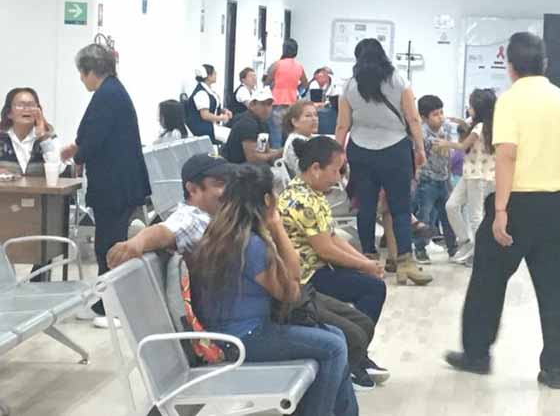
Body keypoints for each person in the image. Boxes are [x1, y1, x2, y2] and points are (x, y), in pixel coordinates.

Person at [107, 154, 383, 392]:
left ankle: (347, 373)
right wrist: (136, 243)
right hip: (247, 321)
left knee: (350, 330)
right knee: (342, 339)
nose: (226, 190)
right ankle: (346, 374)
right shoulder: (192, 217)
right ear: (192, 188)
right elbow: (163, 230)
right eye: (218, 184)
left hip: (262, 301)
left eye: (228, 183)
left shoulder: (227, 220)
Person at [445, 32, 560, 390]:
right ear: (545, 64)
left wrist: (501, 211)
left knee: (487, 280)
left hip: (516, 205)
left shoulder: (510, 101)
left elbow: (507, 156)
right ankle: (554, 368)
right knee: (553, 288)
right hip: (554, 206)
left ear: (510, 67)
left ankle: (477, 354)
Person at [188, 164, 358, 416]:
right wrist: (277, 227)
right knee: (334, 347)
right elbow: (291, 292)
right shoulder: (250, 245)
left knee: (336, 336)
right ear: (268, 200)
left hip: (231, 334)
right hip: (245, 339)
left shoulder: (223, 235)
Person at [279, 137, 390, 389]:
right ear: (315, 168)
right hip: (305, 277)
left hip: (318, 268)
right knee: (372, 288)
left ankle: (356, 352)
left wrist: (366, 262)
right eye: (336, 171)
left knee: (371, 285)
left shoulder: (313, 194)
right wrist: (364, 266)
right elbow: (326, 249)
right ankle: (353, 358)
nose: (339, 178)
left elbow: (332, 237)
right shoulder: (301, 200)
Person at [60, 43, 151, 328]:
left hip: (116, 185)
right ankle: (103, 302)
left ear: (90, 71)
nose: (81, 79)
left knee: (110, 246)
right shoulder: (112, 91)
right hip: (117, 183)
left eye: (81, 73)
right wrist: (78, 148)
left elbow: (95, 137)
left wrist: (78, 153)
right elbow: (94, 134)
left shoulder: (108, 94)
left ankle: (114, 308)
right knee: (106, 243)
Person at [335, 38, 431, 286]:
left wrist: (337, 155)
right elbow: (413, 119)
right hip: (395, 150)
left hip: (360, 151)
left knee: (365, 207)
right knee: (401, 208)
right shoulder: (398, 81)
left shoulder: (350, 86)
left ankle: (368, 259)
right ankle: (405, 264)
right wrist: (420, 148)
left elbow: (343, 125)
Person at [435, 89, 497, 266]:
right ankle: (466, 241)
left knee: (475, 216)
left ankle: (480, 254)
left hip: (477, 175)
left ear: (479, 108)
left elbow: (463, 146)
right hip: (473, 174)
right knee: (451, 205)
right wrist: (461, 122)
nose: (469, 109)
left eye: (471, 106)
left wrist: (446, 143)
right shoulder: (490, 124)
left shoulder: (479, 126)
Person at [409, 95, 459, 264]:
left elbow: (448, 157)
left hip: (443, 179)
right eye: (435, 114)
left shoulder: (446, 130)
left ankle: (453, 249)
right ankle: (420, 249)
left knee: (448, 217)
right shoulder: (422, 134)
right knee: (424, 216)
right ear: (424, 117)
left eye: (441, 112)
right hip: (427, 181)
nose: (441, 117)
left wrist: (449, 179)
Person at [0, 87, 58, 176]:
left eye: (31, 105)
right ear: (9, 113)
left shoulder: (48, 134)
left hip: (40, 185)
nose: (26, 109)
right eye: (20, 105)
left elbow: (58, 169)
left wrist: (43, 137)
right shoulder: (1, 136)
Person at [265, 39, 309, 149]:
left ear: (284, 49)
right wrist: (296, 90)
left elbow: (267, 82)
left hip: (276, 104)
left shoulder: (277, 64)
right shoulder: (299, 66)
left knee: (276, 137)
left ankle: (276, 158)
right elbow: (305, 84)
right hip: (292, 105)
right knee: (289, 136)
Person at [222, 88, 282, 165]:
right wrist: (279, 153)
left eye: (269, 104)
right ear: (252, 105)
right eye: (262, 104)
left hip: (247, 167)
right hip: (236, 167)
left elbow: (264, 150)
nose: (266, 108)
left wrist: (283, 152)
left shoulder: (262, 122)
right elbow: (253, 158)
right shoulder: (247, 124)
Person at [185, 64, 232, 145]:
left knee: (234, 135)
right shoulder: (201, 93)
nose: (216, 74)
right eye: (214, 73)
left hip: (211, 125)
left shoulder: (208, 90)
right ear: (208, 76)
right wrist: (221, 118)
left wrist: (223, 111)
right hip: (202, 127)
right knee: (232, 137)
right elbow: (205, 115)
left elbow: (211, 107)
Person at [282, 100, 320, 177]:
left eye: (316, 115)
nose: (314, 119)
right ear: (295, 122)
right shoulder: (295, 141)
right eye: (308, 116)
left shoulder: (312, 137)